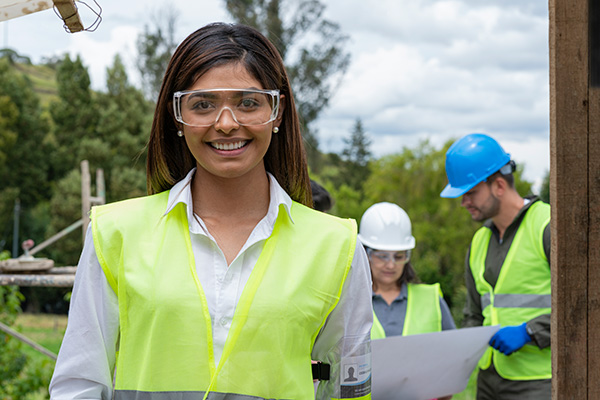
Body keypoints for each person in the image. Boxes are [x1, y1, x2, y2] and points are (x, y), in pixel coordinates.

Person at [49, 22, 373, 400]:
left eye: (248, 103)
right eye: (203, 104)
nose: (225, 123)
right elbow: (80, 385)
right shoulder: (115, 233)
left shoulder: (337, 247)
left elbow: (347, 390)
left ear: (278, 112)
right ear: (177, 116)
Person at [440, 133, 551, 399]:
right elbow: (473, 315)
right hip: (489, 380)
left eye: (471, 193)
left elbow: (585, 308)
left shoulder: (548, 226)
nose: (464, 202)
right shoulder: (478, 241)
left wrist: (529, 331)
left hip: (540, 381)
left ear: (499, 185)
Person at [358, 202, 455, 400]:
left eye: (399, 256)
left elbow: (453, 358)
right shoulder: (351, 302)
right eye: (382, 256)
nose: (391, 264)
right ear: (366, 254)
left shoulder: (431, 299)